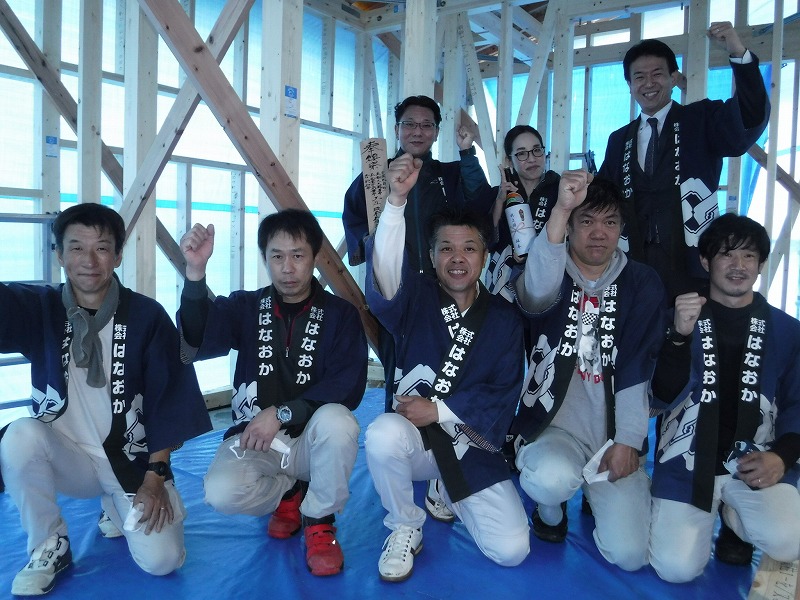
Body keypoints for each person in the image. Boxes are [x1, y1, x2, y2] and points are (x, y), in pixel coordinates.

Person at [0, 203, 211, 596]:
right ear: (59, 255)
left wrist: (156, 476)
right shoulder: (41, 309)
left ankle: (115, 503)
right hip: (68, 457)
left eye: (101, 248)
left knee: (162, 561)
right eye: (76, 248)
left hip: (129, 461)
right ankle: (49, 543)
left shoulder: (147, 317)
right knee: (18, 437)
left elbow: (169, 401)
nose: (89, 261)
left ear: (117, 255)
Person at [363, 153, 530, 583]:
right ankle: (405, 524)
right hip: (415, 442)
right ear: (431, 255)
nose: (458, 258)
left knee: (512, 550)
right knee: (381, 435)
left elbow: (505, 391)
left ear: (484, 255)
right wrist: (396, 202)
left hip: (468, 445)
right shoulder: (413, 297)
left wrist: (438, 410)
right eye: (446, 248)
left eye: (469, 248)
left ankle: (447, 488)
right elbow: (385, 270)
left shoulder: (504, 319)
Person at [178, 209, 367, 577]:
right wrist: (196, 273)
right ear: (264, 258)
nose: (287, 268)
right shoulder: (245, 307)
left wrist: (282, 412)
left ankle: (319, 519)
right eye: (276, 256)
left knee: (338, 422)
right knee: (220, 492)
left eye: (298, 255)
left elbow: (347, 384)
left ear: (315, 257)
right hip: (258, 439)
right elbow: (199, 338)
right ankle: (289, 492)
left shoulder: (341, 315)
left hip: (312, 440)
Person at [511, 172, 665, 571]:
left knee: (630, 556)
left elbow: (639, 363)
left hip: (612, 434)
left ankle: (599, 495)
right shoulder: (551, 269)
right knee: (549, 479)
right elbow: (535, 293)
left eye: (610, 222)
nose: (599, 233)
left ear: (621, 228)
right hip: (554, 427)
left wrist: (628, 440)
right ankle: (551, 510)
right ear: (570, 226)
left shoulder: (642, 282)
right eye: (587, 221)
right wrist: (562, 207)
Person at [649, 213, 800, 582]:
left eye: (748, 256)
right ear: (705, 261)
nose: (738, 266)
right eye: (726, 254)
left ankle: (735, 519)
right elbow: (657, 395)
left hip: (756, 460)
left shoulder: (788, 330)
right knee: (675, 570)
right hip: (686, 464)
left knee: (789, 541)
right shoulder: (677, 318)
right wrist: (678, 338)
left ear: (761, 264)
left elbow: (798, 402)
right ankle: (716, 510)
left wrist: (782, 456)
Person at [598, 23, 769, 302]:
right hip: (633, 266)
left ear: (674, 78)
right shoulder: (618, 140)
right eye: (639, 77)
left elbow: (749, 115)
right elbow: (603, 196)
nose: (648, 83)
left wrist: (737, 52)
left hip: (692, 264)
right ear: (630, 85)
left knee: (689, 327)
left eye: (657, 74)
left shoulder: (701, 119)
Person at [343, 94, 494, 276]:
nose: (417, 132)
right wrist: (372, 245)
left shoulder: (451, 173)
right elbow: (354, 218)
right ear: (397, 129)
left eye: (427, 125)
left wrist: (467, 152)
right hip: (391, 279)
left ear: (436, 133)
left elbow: (480, 200)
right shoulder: (376, 176)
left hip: (444, 279)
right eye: (409, 124)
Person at [485, 125, 560, 302]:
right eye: (521, 153)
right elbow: (487, 241)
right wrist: (499, 201)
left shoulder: (559, 189)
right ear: (509, 160)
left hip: (548, 279)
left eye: (536, 150)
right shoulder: (499, 193)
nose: (532, 159)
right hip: (504, 281)